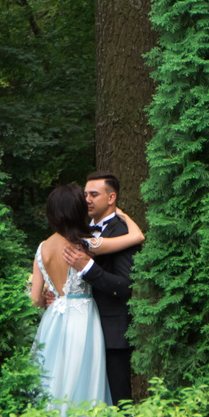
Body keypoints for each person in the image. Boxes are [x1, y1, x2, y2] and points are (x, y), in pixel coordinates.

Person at [28, 184, 119, 411]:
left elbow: (34, 300)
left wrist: (51, 297)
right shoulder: (86, 245)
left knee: (52, 373)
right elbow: (135, 237)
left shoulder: (42, 248)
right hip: (83, 316)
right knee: (84, 372)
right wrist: (122, 215)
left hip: (53, 319)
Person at [79, 172, 142, 403]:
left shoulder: (122, 231)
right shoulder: (81, 230)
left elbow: (125, 286)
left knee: (119, 401)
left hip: (111, 331)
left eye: (94, 194)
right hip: (81, 328)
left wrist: (88, 269)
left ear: (111, 197)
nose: (87, 199)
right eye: (85, 194)